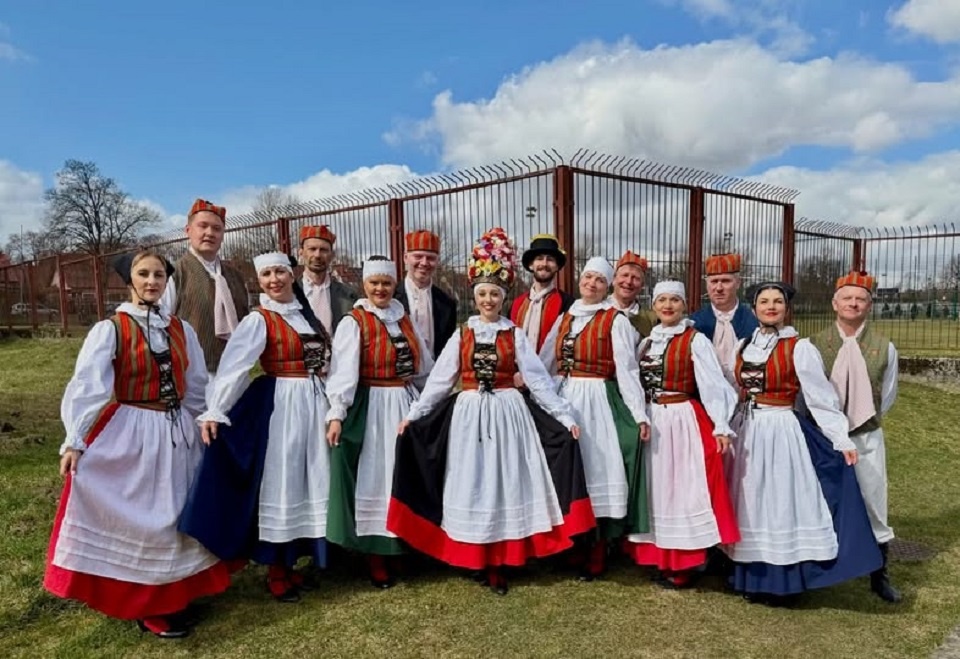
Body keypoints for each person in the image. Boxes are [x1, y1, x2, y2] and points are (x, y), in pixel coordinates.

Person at [388, 228, 595, 596]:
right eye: (482, 294)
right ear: (475, 296)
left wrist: (564, 417)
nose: (487, 300)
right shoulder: (462, 334)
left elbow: (538, 381)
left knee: (505, 482)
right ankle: (474, 554)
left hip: (508, 414)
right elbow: (439, 381)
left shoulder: (514, 334)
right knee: (471, 481)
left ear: (502, 299)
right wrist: (416, 415)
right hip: (468, 415)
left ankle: (500, 559)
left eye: (494, 295)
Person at [44, 250, 229, 639]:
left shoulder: (181, 329)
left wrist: (206, 418)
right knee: (146, 518)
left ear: (167, 280)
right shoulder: (111, 329)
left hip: (178, 431)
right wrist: (74, 439)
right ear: (129, 280)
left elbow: (196, 386)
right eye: (143, 274)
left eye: (159, 274)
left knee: (178, 512)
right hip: (134, 428)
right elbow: (87, 386)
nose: (151, 281)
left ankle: (176, 592)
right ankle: (150, 604)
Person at [178, 252, 333, 604]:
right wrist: (215, 409)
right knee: (284, 482)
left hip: (314, 401)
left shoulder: (307, 316)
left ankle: (296, 560)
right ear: (259, 280)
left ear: (292, 274)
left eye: (280, 271)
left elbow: (327, 361)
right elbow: (235, 366)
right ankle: (277, 568)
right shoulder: (259, 320)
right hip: (282, 405)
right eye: (266, 274)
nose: (274, 279)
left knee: (312, 479)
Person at [722, 281, 882, 605]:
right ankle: (751, 579)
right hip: (749, 430)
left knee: (780, 506)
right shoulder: (742, 346)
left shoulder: (799, 347)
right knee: (751, 505)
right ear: (753, 309)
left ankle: (783, 584)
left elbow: (821, 398)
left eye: (777, 302)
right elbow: (729, 391)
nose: (770, 307)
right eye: (764, 301)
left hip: (782, 432)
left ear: (786, 308)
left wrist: (840, 439)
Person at [325, 256, 434, 588]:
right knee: (376, 475)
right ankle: (375, 553)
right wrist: (337, 414)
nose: (380, 289)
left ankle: (401, 546)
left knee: (401, 474)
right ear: (365, 285)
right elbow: (343, 373)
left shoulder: (404, 319)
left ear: (393, 285)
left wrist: (427, 402)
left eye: (386, 283)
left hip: (402, 401)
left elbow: (424, 366)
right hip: (371, 405)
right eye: (374, 283)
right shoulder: (354, 321)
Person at [622, 281, 740, 588]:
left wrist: (721, 424)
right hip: (652, 418)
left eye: (674, 300)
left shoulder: (695, 340)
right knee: (657, 490)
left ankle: (684, 563)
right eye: (661, 300)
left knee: (683, 490)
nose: (668, 306)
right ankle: (661, 558)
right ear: (654, 306)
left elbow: (714, 384)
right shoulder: (647, 342)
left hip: (682, 419)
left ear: (684, 305)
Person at [540, 257, 650, 581]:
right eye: (588, 277)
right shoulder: (565, 318)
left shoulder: (614, 320)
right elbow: (545, 362)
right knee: (571, 471)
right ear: (580, 280)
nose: (591, 284)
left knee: (597, 467)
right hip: (566, 395)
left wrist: (638, 413)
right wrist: (539, 396)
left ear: (608, 286)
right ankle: (572, 545)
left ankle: (598, 550)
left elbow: (628, 370)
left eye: (599, 280)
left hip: (598, 398)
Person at [809, 271, 901, 603]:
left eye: (860, 299)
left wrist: (865, 421)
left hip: (866, 436)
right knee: (821, 499)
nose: (853, 303)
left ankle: (880, 575)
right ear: (835, 303)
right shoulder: (815, 344)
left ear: (869, 305)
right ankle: (820, 567)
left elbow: (887, 394)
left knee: (874, 500)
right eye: (847, 298)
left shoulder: (884, 347)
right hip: (825, 437)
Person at [161, 199, 250, 378]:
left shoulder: (237, 278)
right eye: (203, 226)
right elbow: (160, 327)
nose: (209, 233)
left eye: (217, 228)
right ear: (188, 230)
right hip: (193, 375)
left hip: (236, 373)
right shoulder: (173, 274)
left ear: (223, 234)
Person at [689, 253, 758, 379]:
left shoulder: (755, 322)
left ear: (738, 283)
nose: (719, 288)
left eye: (726, 281)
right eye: (714, 281)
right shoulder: (694, 323)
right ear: (707, 284)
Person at [394, 230, 457, 359]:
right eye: (418, 256)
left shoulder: (447, 303)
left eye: (431, 258)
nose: (424, 263)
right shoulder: (390, 299)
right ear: (405, 258)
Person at [511, 234, 575, 353]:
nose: (544, 264)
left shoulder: (568, 303)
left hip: (553, 370)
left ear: (557, 266)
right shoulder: (517, 304)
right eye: (539, 258)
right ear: (531, 265)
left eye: (550, 259)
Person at [298, 224, 358, 335]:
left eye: (324, 250)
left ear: (332, 255)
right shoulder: (289, 294)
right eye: (312, 249)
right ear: (301, 252)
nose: (317, 255)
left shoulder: (348, 296)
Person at [608, 250, 657, 339]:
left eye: (635, 278)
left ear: (642, 285)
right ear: (614, 279)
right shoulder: (597, 310)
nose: (629, 281)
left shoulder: (651, 320)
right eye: (625, 275)